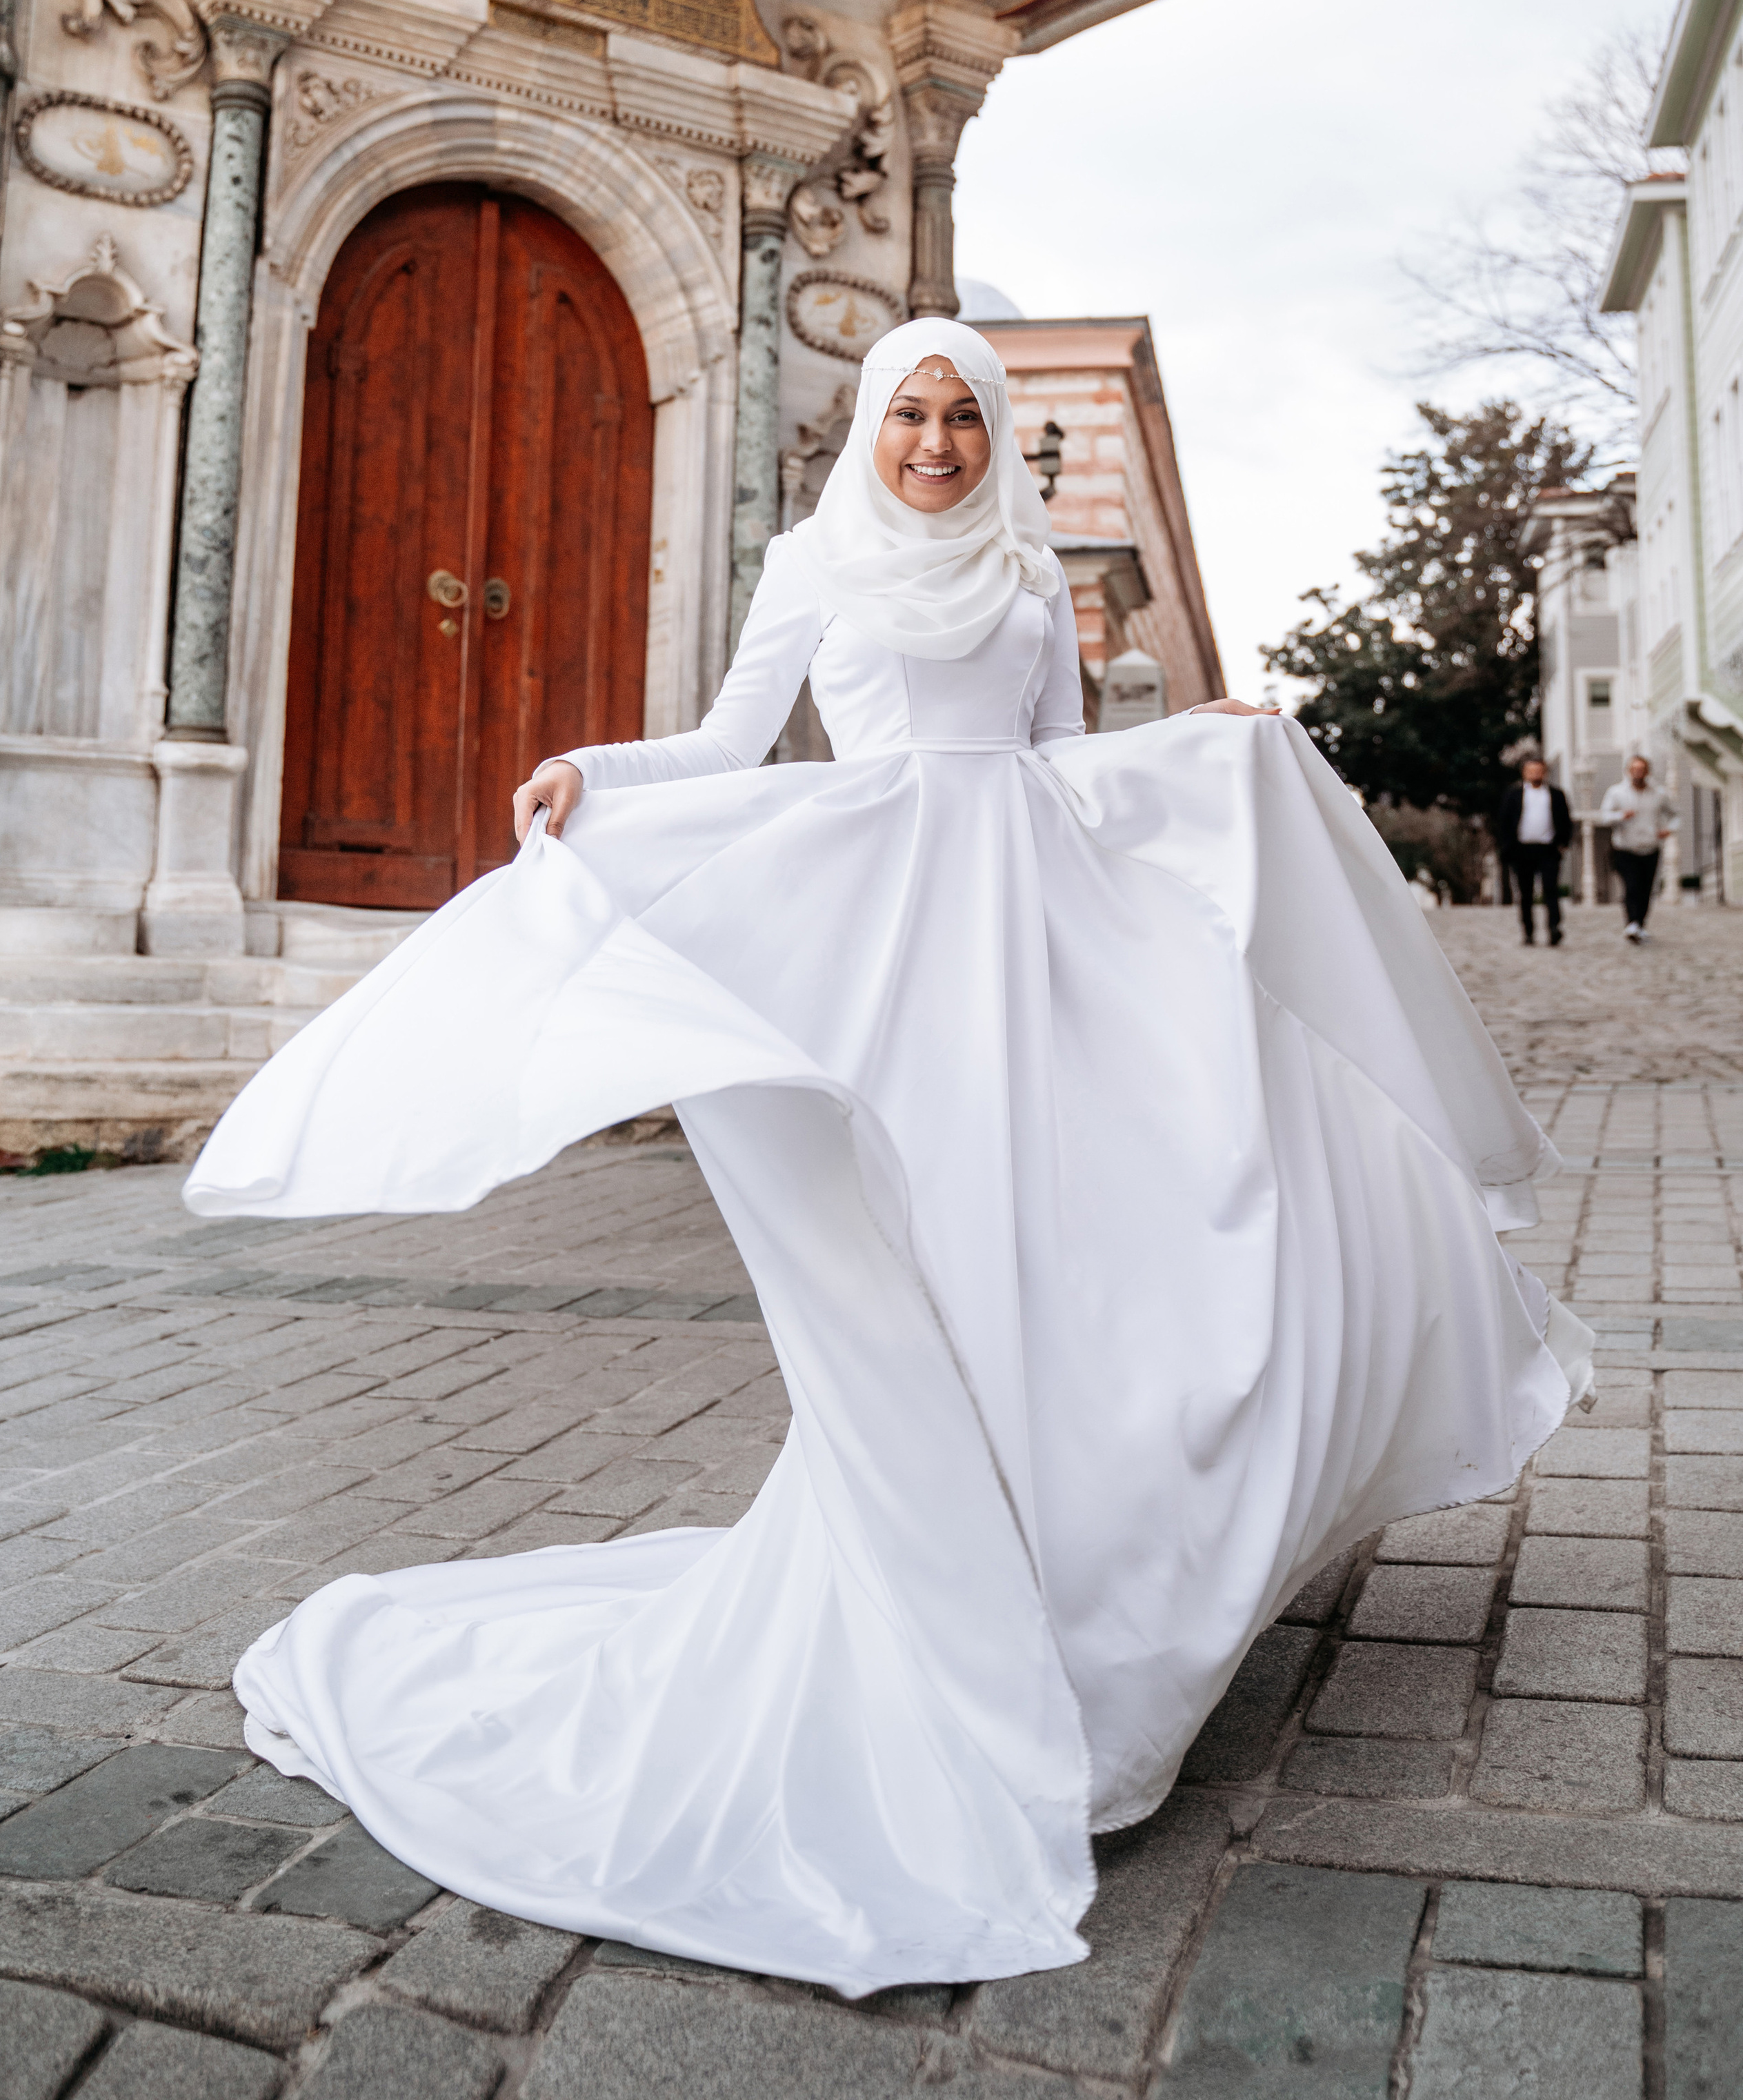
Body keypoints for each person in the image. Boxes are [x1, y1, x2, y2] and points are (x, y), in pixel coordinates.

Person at [186, 320, 1591, 1999]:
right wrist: (590, 770)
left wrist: (1198, 740)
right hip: (902, 966)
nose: (934, 439)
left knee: (1098, 1263)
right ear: (871, 425)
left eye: (960, 414)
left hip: (1044, 956)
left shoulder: (1019, 567)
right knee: (943, 1280)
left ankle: (1080, 1632)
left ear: (992, 431)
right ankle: (961, 1642)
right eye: (910, 412)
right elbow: (726, 743)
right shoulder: (814, 560)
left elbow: (1063, 760)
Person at [1597, 753, 1680, 942]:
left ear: (1647, 772)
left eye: (1641, 770)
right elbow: (1604, 815)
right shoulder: (1617, 792)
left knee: (1646, 889)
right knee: (1632, 886)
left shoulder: (1659, 793)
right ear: (1628, 771)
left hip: (1651, 847)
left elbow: (1676, 814)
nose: (1638, 773)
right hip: (1625, 848)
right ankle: (1632, 922)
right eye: (1634, 769)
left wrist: (1668, 829)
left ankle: (1640, 924)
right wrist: (1620, 816)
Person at [1497, 755, 1573, 947]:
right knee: (1525, 894)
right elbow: (1504, 822)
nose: (1535, 774)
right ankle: (1528, 931)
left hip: (1548, 849)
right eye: (1531, 771)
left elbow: (1565, 820)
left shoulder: (1556, 794)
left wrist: (1563, 843)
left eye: (1539, 770)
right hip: (1522, 850)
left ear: (1545, 772)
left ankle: (1554, 928)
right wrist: (1508, 846)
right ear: (1524, 773)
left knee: (1551, 891)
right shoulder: (1513, 794)